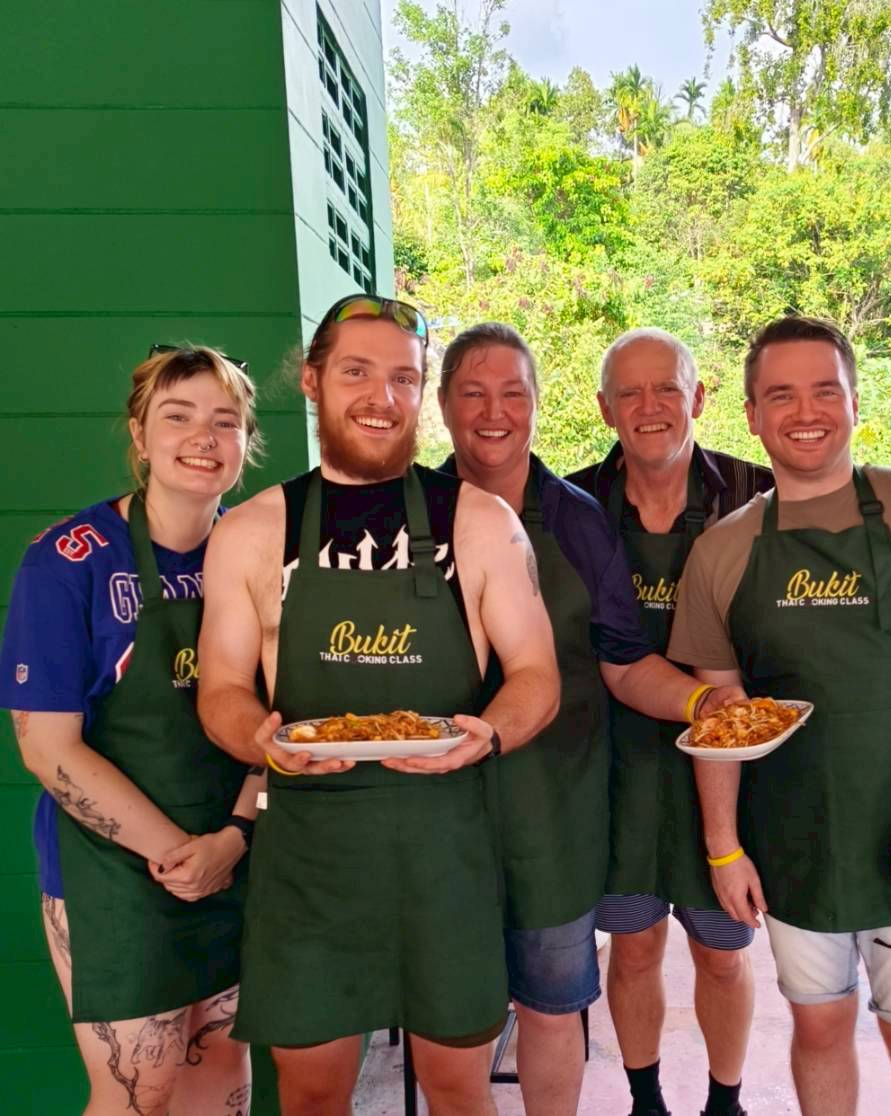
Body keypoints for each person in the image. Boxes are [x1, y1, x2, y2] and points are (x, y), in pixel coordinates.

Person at [195, 296, 560, 1116]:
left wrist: (490, 732)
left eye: (403, 377)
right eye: (356, 372)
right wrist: (257, 738)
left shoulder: (479, 521)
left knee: (459, 1091)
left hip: (446, 855)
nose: (380, 396)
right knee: (315, 1092)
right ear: (314, 381)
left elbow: (537, 673)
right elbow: (220, 689)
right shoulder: (255, 531)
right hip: (309, 865)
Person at [668, 315, 891, 1116]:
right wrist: (723, 849)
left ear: (856, 402)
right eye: (780, 394)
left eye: (826, 390)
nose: (805, 411)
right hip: (795, 843)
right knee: (817, 1029)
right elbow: (721, 721)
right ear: (750, 415)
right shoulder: (723, 550)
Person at [435, 322, 746, 1116]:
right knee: (451, 1018)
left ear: (539, 406)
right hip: (437, 812)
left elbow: (618, 656)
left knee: (560, 1001)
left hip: (563, 806)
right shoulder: (404, 515)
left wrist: (707, 704)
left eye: (513, 393)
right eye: (473, 392)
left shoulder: (578, 517)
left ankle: (721, 1099)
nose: (495, 412)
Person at [0, 345, 265, 1116]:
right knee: (138, 1089)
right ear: (139, 434)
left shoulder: (258, 556)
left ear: (248, 443)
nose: (203, 437)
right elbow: (46, 747)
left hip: (233, 848)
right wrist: (180, 856)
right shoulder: (67, 560)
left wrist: (234, 838)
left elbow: (286, 723)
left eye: (226, 421)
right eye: (177, 416)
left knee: (222, 1071)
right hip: (111, 873)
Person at [568, 328, 773, 1116]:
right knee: (634, 944)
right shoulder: (575, 508)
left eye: (667, 389)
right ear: (604, 408)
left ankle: (727, 1101)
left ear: (700, 397)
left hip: (730, 774)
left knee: (724, 952)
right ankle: (645, 1100)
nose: (650, 407)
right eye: (630, 392)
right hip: (615, 771)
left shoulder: (760, 492)